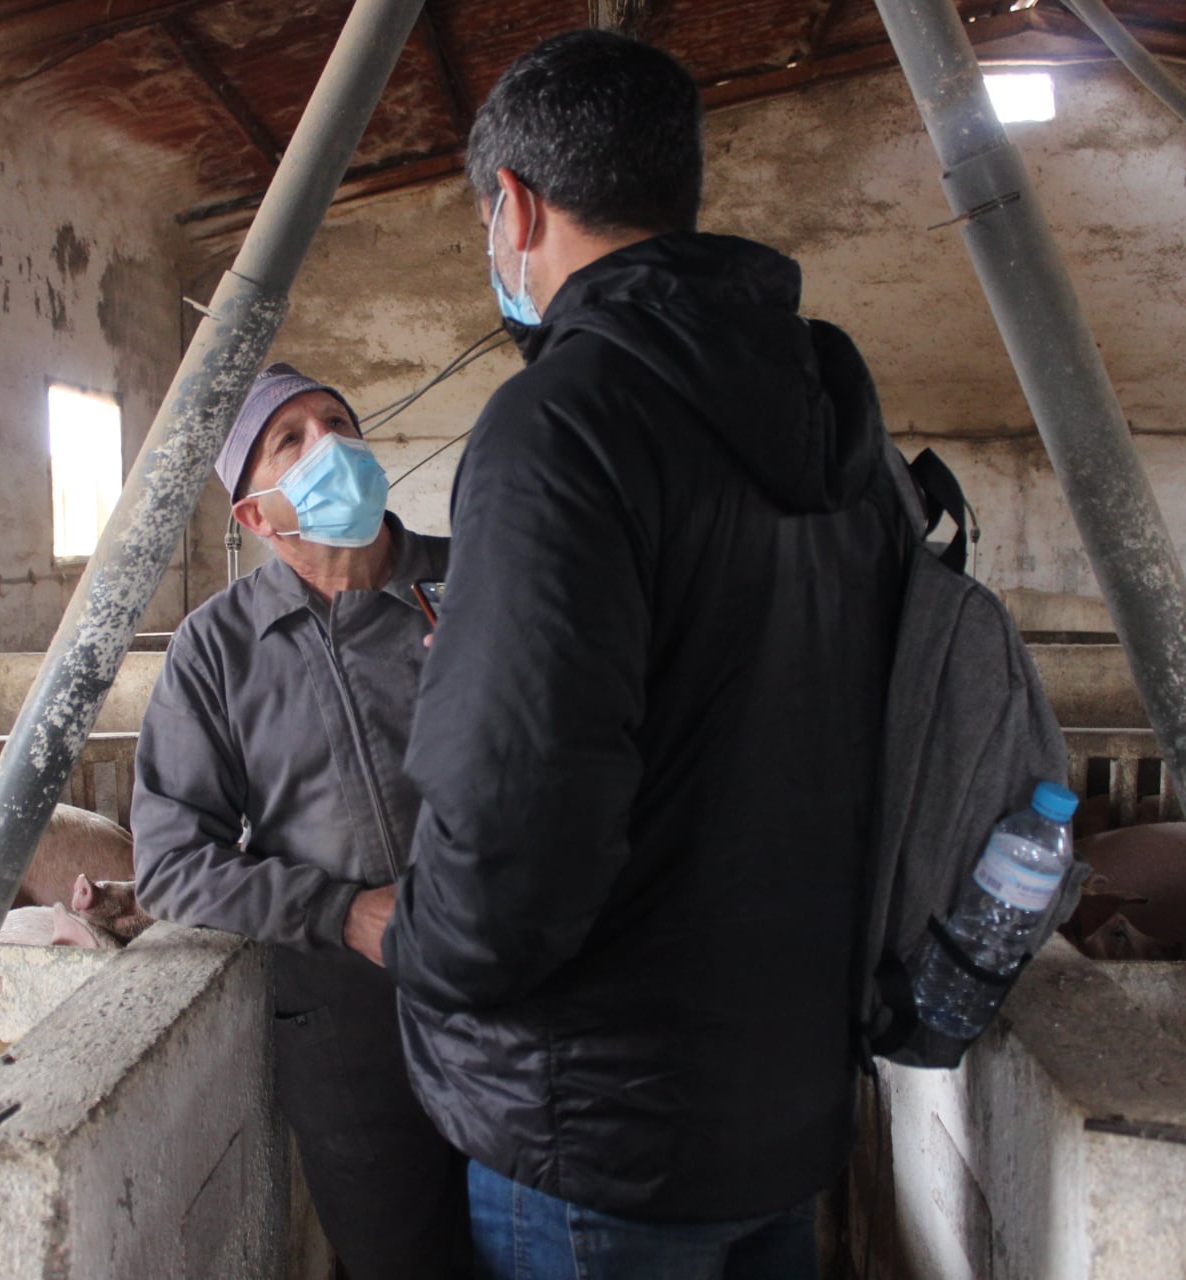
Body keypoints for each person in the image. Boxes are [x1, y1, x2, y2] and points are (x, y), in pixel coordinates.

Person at [373, 31, 911, 1280]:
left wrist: (417, 947)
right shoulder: (830, 406)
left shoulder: (558, 425)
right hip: (787, 1100)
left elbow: (517, 819)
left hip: (601, 1131)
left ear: (514, 204)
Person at [131, 363, 469, 1280]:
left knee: (540, 1241)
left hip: (509, 976)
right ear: (254, 516)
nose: (331, 445)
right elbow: (169, 863)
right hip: (346, 1014)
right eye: (293, 440)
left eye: (337, 421)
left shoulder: (476, 576)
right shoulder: (217, 647)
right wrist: (341, 912)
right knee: (401, 1256)